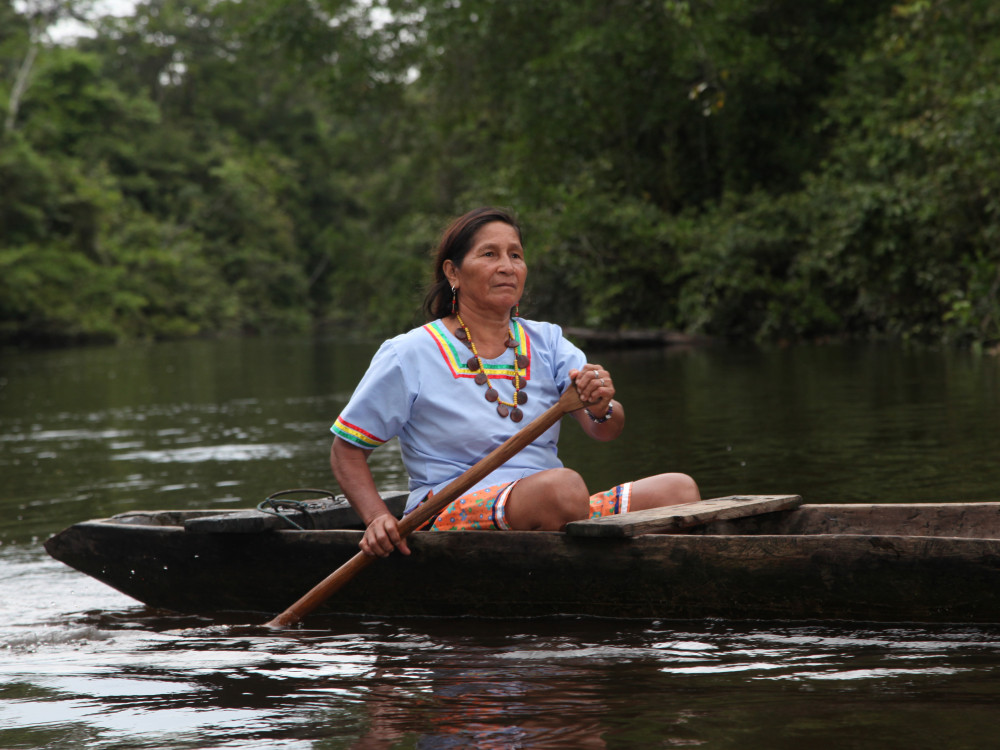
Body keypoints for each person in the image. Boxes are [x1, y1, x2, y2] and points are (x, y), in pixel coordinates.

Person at [331, 207, 700, 558]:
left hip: (554, 503)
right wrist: (377, 517)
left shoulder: (548, 341)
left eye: (516, 256)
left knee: (678, 489)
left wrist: (601, 405)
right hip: (446, 511)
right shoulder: (408, 352)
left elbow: (605, 429)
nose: (507, 267)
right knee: (564, 488)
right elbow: (346, 450)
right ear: (453, 273)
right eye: (489, 254)